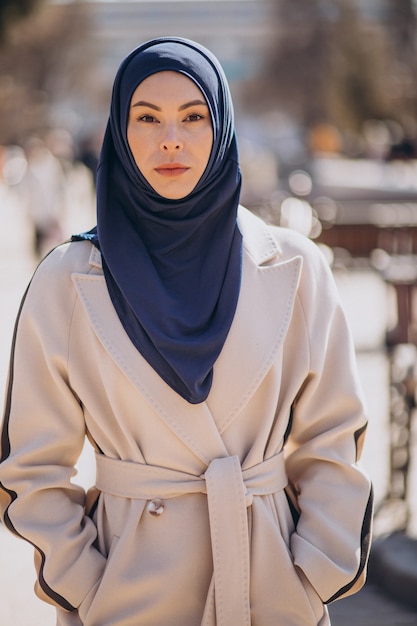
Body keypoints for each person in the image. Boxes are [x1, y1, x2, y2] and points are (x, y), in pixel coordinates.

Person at [0, 37, 373, 626]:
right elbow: (32, 467)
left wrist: (310, 575)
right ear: (119, 134)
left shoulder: (296, 268)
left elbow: (334, 437)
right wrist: (88, 586)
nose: (170, 139)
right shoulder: (65, 280)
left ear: (222, 126)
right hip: (127, 601)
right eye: (146, 118)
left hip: (273, 596)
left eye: (193, 116)